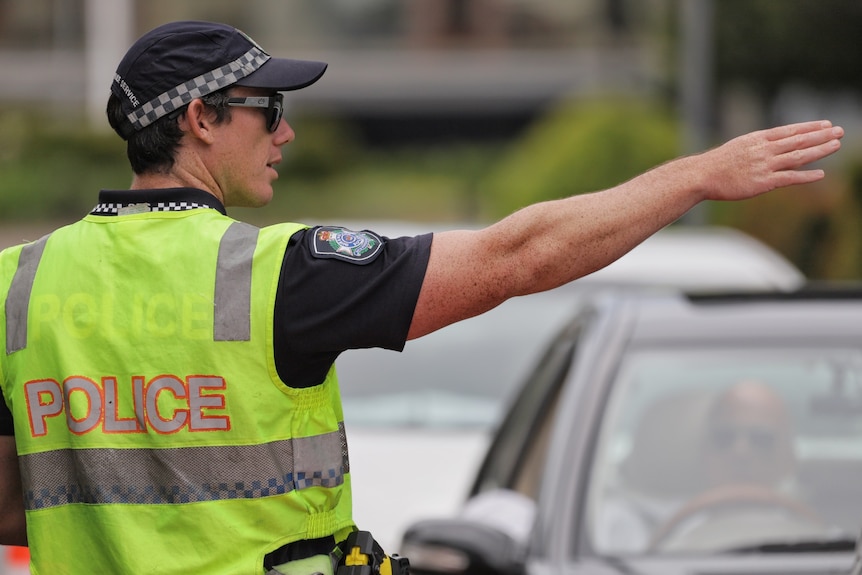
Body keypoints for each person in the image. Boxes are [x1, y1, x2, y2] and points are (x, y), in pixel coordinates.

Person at [0, 19, 844, 575]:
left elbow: (14, 503)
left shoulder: (17, 286)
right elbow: (521, 254)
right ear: (200, 121)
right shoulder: (277, 276)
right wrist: (697, 176)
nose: (286, 130)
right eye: (269, 107)